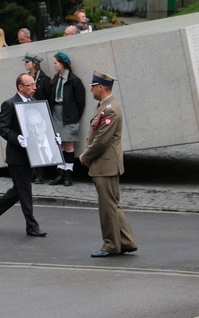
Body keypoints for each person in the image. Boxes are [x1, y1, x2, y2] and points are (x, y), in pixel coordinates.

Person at [79, 70, 137, 257]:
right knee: (112, 205)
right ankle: (126, 241)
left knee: (107, 208)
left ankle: (111, 245)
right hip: (104, 164)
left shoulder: (110, 109)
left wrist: (85, 157)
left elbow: (101, 140)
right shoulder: (103, 106)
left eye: (93, 87)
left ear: (101, 88)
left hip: (105, 165)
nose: (91, 90)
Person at [0, 73, 47, 237]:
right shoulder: (9, 104)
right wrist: (16, 138)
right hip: (17, 157)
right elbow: (2, 127)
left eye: (34, 84)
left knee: (19, 189)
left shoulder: (34, 102)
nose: (34, 87)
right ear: (20, 87)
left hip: (32, 155)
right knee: (25, 190)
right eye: (30, 85)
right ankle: (32, 226)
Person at [48, 52, 85, 186]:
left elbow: (80, 102)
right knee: (60, 144)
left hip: (69, 114)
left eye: (55, 63)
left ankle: (68, 174)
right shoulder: (56, 79)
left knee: (69, 145)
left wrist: (74, 116)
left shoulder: (74, 80)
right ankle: (60, 173)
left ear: (63, 64)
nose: (53, 65)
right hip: (56, 112)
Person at [23, 51, 51, 184]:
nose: (25, 64)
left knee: (41, 142)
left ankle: (41, 172)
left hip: (40, 116)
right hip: (28, 114)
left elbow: (48, 98)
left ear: (34, 63)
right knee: (31, 143)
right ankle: (33, 171)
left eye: (27, 62)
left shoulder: (44, 79)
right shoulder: (26, 78)